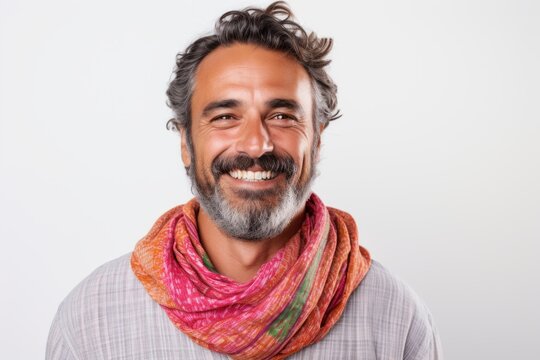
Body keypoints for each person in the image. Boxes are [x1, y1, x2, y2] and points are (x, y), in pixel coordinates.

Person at [46, 2, 443, 359]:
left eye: (283, 116)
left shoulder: (395, 320)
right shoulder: (92, 322)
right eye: (224, 117)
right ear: (186, 142)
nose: (256, 145)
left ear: (317, 140)